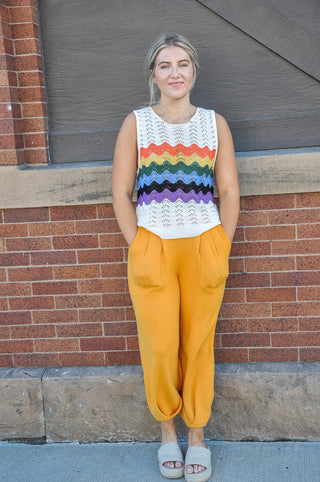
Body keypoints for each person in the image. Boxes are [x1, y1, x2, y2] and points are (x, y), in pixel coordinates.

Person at [112, 32, 239, 482]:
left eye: (182, 64)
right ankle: (168, 433)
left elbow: (227, 190)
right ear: (153, 74)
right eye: (165, 65)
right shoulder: (137, 123)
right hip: (154, 248)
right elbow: (120, 192)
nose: (174, 73)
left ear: (194, 70)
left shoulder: (214, 123)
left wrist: (221, 242)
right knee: (161, 346)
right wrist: (139, 244)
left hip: (203, 245)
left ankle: (198, 437)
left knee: (198, 345)